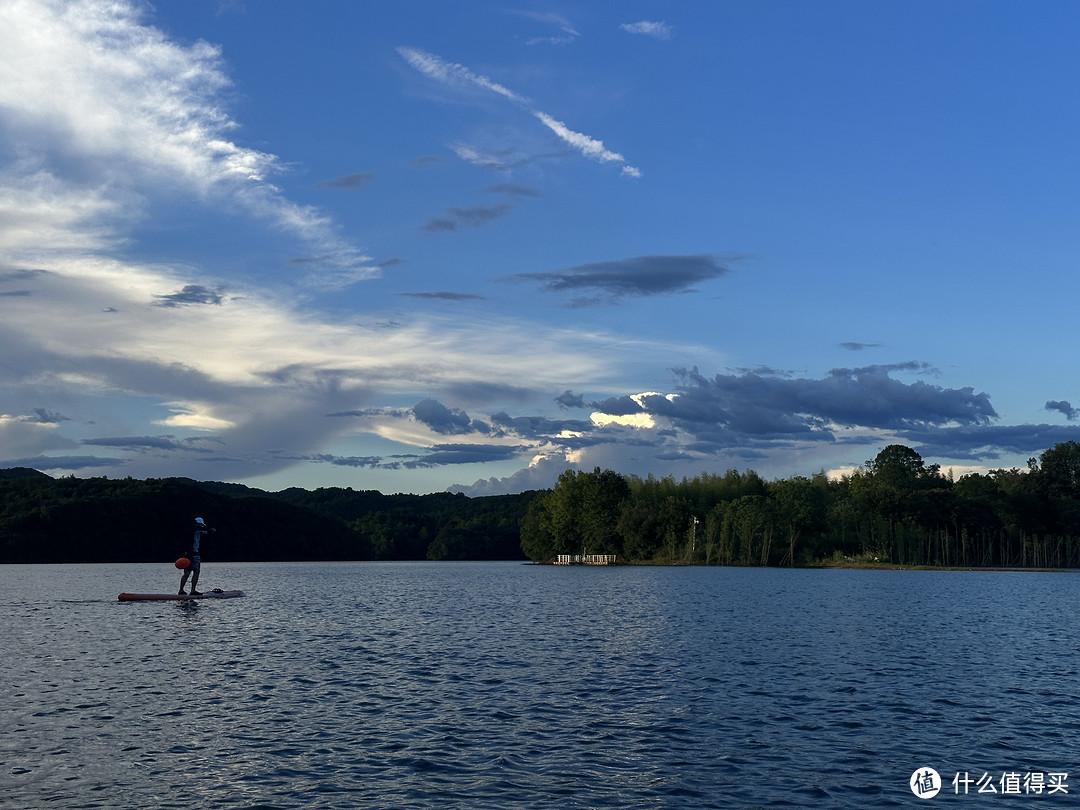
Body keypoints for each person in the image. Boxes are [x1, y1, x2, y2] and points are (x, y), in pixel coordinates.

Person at [179, 517, 214, 595]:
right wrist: (211, 531)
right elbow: (207, 533)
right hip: (194, 554)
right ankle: (193, 590)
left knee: (186, 573)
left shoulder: (187, 531)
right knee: (196, 571)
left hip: (187, 555)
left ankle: (181, 590)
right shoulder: (198, 530)